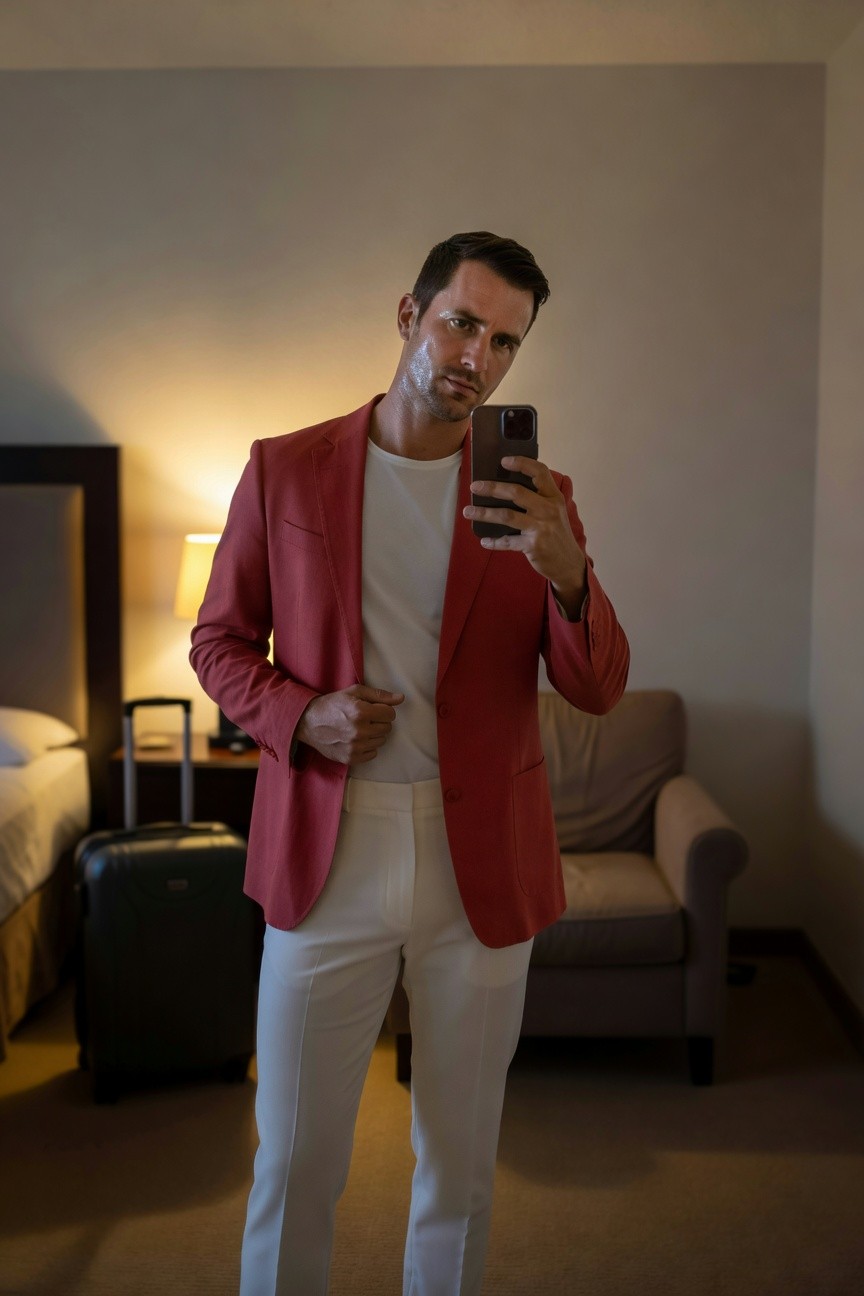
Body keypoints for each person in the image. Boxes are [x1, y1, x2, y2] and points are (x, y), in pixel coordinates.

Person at [190, 231, 630, 1296]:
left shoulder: (538, 496)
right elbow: (217, 645)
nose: (477, 356)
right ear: (409, 315)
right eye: (462, 323)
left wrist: (568, 570)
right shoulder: (283, 469)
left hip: (479, 860)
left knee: (460, 1171)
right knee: (293, 1162)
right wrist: (303, 715)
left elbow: (597, 685)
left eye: (506, 342)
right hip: (326, 854)